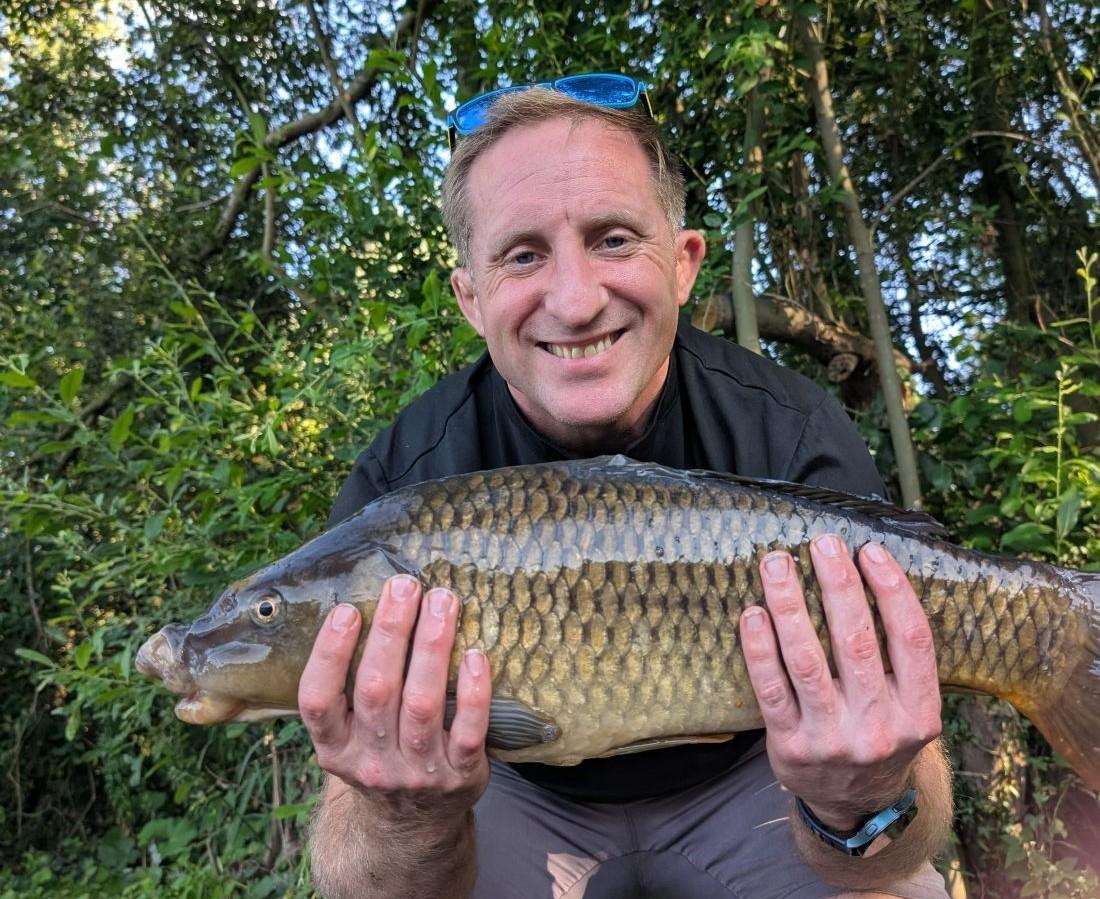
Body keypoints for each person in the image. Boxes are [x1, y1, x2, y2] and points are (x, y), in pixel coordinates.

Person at [298, 75, 953, 899]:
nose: (575, 301)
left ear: (683, 265)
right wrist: (405, 815)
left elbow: (905, 829)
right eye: (523, 254)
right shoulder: (403, 484)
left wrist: (860, 797)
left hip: (763, 777)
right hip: (511, 792)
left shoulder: (789, 429)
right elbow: (361, 879)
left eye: (612, 238)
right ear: (471, 297)